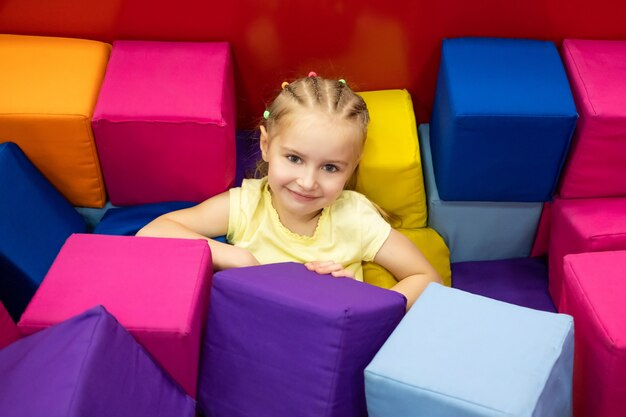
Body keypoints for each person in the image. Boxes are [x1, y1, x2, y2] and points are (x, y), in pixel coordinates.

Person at [137, 73, 441, 309]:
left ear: (352, 166)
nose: (308, 182)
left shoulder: (354, 216)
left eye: (331, 167)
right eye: (294, 159)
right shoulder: (247, 206)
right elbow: (153, 231)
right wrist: (241, 259)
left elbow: (428, 279)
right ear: (267, 146)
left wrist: (364, 301)